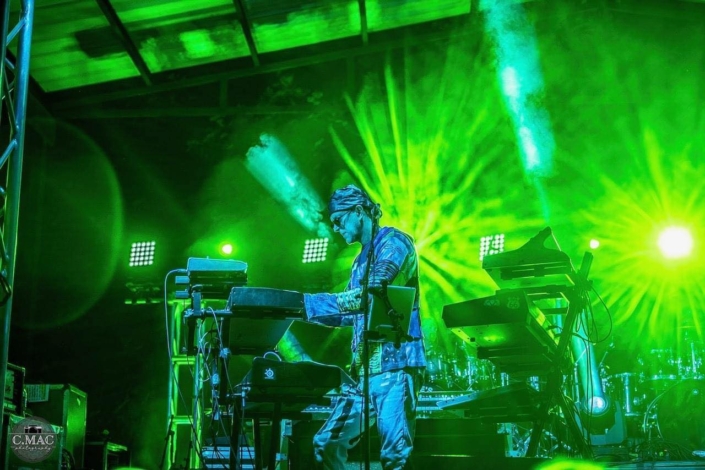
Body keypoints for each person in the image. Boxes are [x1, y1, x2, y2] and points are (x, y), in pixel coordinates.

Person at [303, 184, 426, 470]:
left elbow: (372, 293)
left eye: (339, 220)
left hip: (397, 365)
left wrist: (310, 304)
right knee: (326, 443)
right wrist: (300, 312)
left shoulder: (394, 242)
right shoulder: (359, 260)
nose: (336, 228)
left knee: (395, 457)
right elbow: (349, 314)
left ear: (359, 211)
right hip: (364, 373)